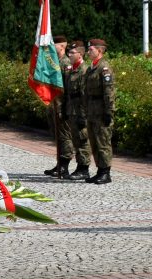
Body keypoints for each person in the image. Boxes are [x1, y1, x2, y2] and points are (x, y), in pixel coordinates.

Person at [83, 38, 115, 185]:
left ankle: (105, 172)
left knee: (103, 142)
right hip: (91, 110)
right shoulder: (91, 68)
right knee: (94, 142)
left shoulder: (104, 68)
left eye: (91, 49)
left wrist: (109, 111)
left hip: (101, 111)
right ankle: (99, 170)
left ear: (100, 51)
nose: (88, 52)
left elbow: (109, 92)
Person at [43, 35, 73, 179]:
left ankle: (64, 166)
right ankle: (59, 163)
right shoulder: (55, 62)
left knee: (64, 136)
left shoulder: (66, 63)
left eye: (54, 44)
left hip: (62, 105)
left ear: (62, 46)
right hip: (53, 105)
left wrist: (66, 108)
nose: (52, 46)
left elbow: (67, 88)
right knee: (57, 135)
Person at [62, 40, 92, 181]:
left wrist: (83, 115)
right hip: (72, 110)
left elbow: (84, 95)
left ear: (80, 54)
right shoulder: (72, 69)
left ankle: (84, 168)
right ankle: (79, 167)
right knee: (76, 140)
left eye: (72, 53)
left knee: (82, 140)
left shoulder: (84, 70)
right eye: (69, 52)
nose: (69, 54)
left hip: (80, 111)